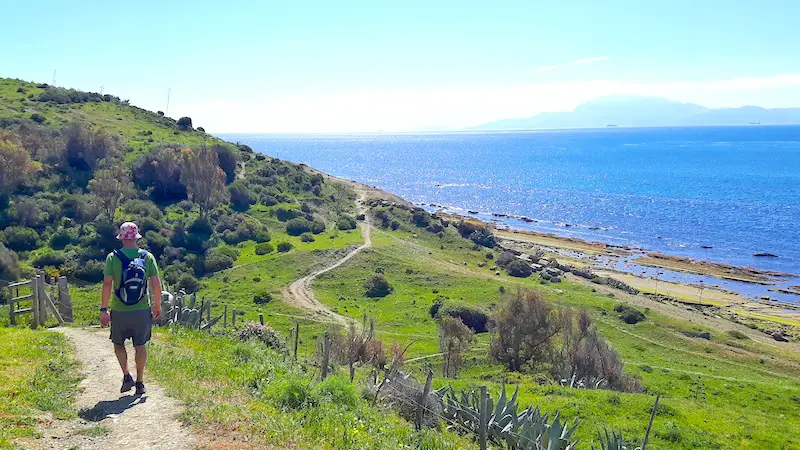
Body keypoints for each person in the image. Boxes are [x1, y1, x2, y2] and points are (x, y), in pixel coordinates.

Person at [99, 222, 162, 395]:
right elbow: (156, 284)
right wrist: (157, 305)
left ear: (121, 238)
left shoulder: (113, 257)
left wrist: (103, 310)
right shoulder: (147, 257)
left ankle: (127, 376)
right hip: (142, 309)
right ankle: (140, 382)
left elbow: (107, 284)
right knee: (140, 345)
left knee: (118, 344)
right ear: (136, 238)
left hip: (119, 309)